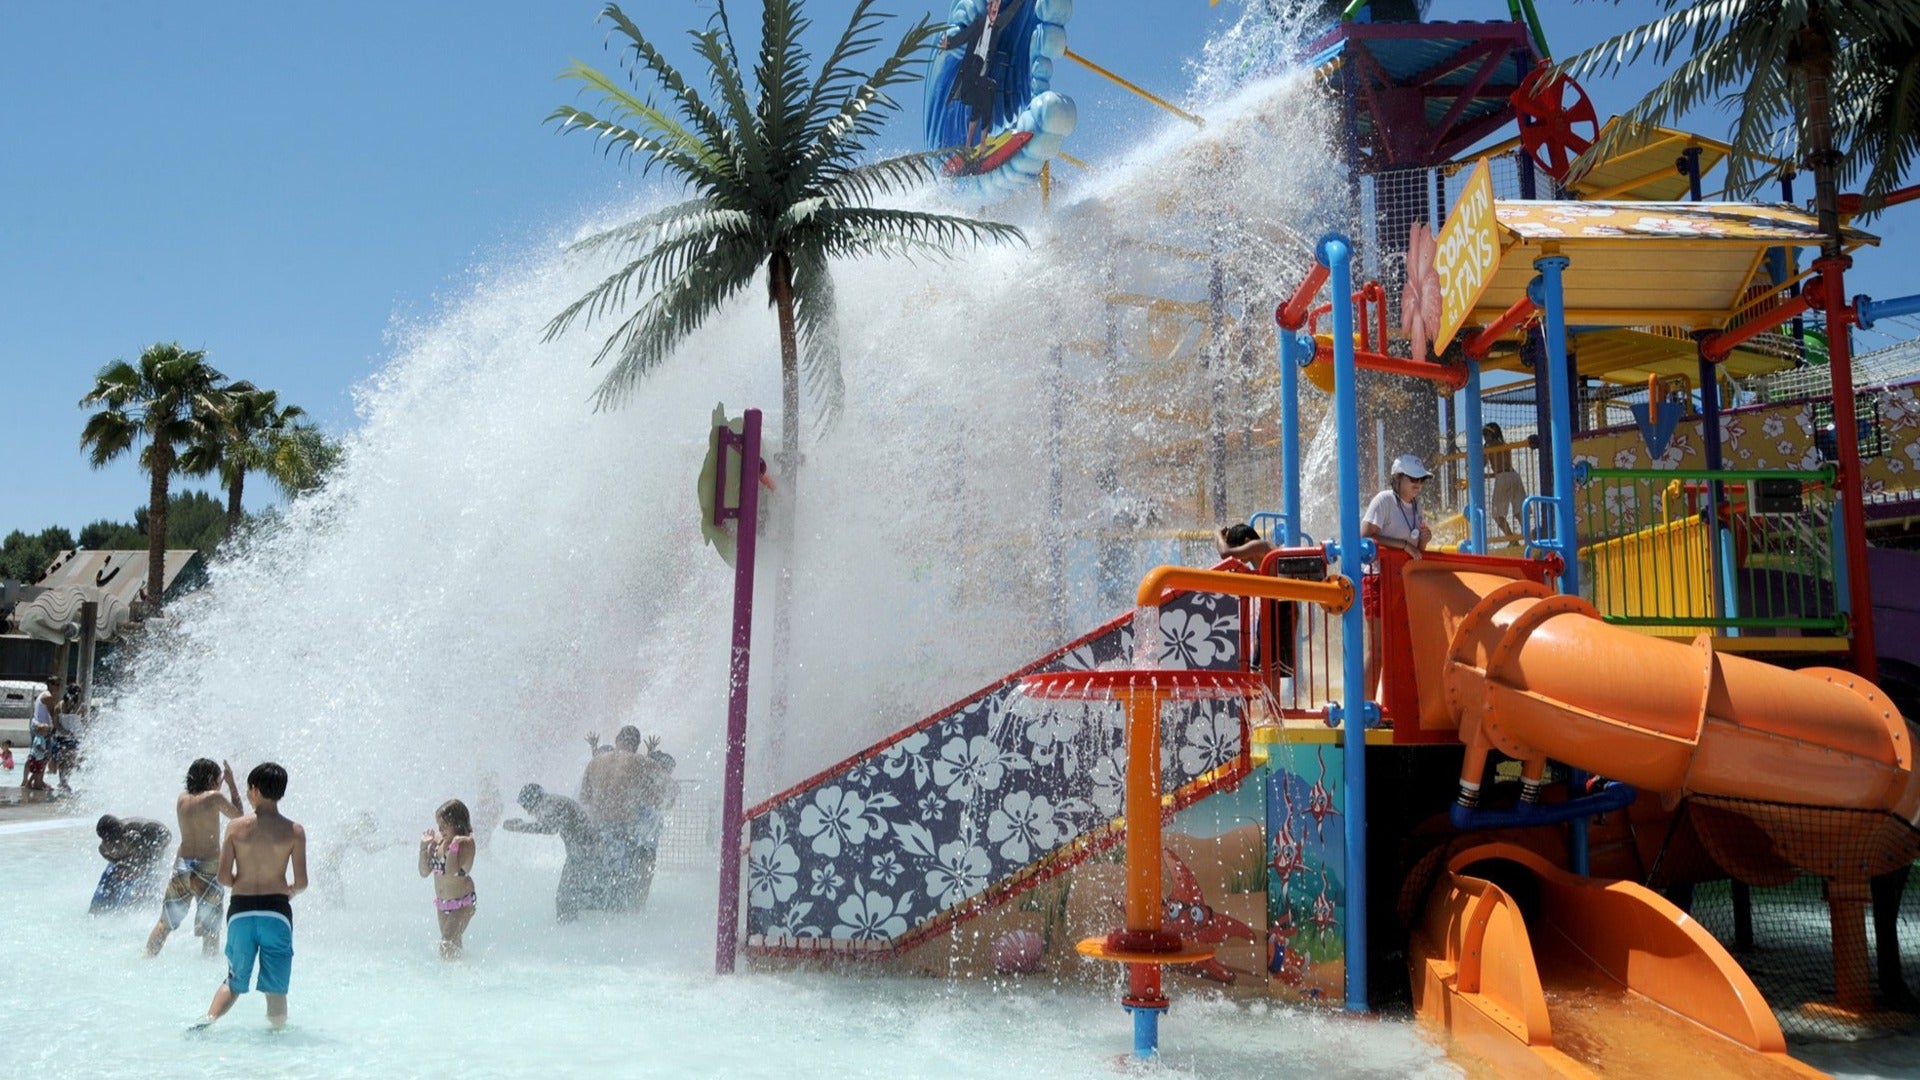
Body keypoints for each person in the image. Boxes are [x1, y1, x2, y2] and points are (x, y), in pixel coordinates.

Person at [195, 762, 307, 1030]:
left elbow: (223, 877)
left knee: (233, 981)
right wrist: (285, 893)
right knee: (276, 989)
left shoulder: (235, 827)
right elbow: (301, 882)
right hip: (276, 913)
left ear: (254, 790)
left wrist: (242, 884)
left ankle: (205, 1024)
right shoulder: (294, 831)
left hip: (241, 912)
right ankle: (277, 1042)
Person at [148, 758, 243, 957]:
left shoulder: (182, 799)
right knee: (210, 929)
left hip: (183, 864)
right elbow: (239, 817)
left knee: (165, 921)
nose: (220, 783)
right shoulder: (213, 797)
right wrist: (232, 785)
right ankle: (206, 972)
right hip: (207, 867)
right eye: (219, 779)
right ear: (211, 779)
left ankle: (147, 956)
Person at [1359, 454, 1433, 702]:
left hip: (1403, 582)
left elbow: (1418, 550)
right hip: (1378, 578)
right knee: (1378, 649)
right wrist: (1403, 545)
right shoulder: (1384, 500)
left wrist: (1424, 539)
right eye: (1413, 478)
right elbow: (1365, 536)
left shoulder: (1417, 506)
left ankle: (1391, 705)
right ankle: (1365, 709)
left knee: (1400, 648)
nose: (1418, 484)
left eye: (1421, 479)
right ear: (1398, 478)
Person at [502, 783, 602, 922]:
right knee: (575, 895)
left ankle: (569, 931)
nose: (527, 811)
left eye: (525, 806)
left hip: (584, 852)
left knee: (564, 898)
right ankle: (581, 928)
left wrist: (520, 827)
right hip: (587, 851)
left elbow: (550, 828)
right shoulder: (551, 801)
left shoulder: (548, 804)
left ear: (531, 801)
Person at [419, 799, 478, 959]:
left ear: (457, 823)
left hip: (462, 904)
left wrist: (453, 847)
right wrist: (424, 847)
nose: (440, 829)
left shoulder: (466, 843)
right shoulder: (438, 842)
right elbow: (424, 872)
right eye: (439, 825)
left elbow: (452, 871)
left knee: (446, 944)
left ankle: (450, 981)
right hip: (442, 904)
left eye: (445, 825)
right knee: (453, 946)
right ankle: (460, 977)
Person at [91, 814, 172, 912]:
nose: (115, 845)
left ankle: (151, 907)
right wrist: (123, 868)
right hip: (134, 858)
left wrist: (139, 869)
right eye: (111, 843)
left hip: (152, 850)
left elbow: (157, 853)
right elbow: (117, 863)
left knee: (146, 880)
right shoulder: (105, 849)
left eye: (118, 841)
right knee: (108, 883)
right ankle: (98, 909)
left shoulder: (139, 832)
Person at [1483, 422, 1524, 541]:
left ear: (1490, 435)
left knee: (1497, 516)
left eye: (1485, 435)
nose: (1484, 438)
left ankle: (1512, 540)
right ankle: (1529, 537)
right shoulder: (1503, 445)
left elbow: (1483, 463)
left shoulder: (1489, 447)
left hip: (1503, 478)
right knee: (1519, 512)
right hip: (1514, 476)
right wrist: (1488, 475)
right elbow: (1502, 469)